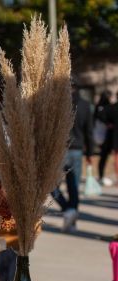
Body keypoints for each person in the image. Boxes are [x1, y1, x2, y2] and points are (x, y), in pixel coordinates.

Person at [53, 86, 93, 232]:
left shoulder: (58, 104)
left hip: (61, 150)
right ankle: (72, 219)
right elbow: (89, 131)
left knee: (52, 185)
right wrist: (89, 153)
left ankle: (67, 210)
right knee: (73, 187)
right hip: (77, 150)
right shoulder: (85, 105)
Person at [95, 90, 116, 186]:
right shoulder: (105, 107)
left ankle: (101, 176)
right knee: (106, 157)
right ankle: (101, 176)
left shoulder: (105, 107)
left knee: (104, 157)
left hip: (105, 136)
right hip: (105, 136)